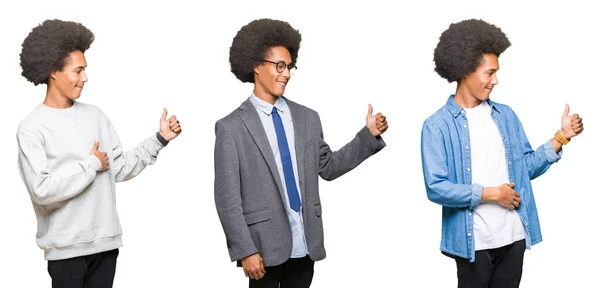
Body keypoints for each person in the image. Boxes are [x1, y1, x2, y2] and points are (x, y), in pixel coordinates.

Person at [214, 18, 388, 288]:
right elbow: (227, 199)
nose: (287, 74)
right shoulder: (231, 128)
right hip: (263, 247)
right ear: (256, 66)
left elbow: (328, 167)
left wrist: (368, 136)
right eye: (279, 66)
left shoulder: (307, 118)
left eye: (290, 66)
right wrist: (245, 250)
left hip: (305, 242)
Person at [17, 19, 182, 288]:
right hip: (66, 252)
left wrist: (160, 139)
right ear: (53, 71)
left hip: (106, 246)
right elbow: (41, 189)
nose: (85, 78)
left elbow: (119, 167)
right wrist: (91, 165)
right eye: (78, 70)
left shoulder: (95, 116)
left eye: (85, 70)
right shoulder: (32, 128)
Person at [420, 19, 584, 287]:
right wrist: (493, 193)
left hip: (514, 237)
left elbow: (525, 168)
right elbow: (436, 188)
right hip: (473, 244)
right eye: (489, 72)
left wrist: (561, 137)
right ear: (464, 71)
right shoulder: (437, 126)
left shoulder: (505, 116)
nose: (496, 80)